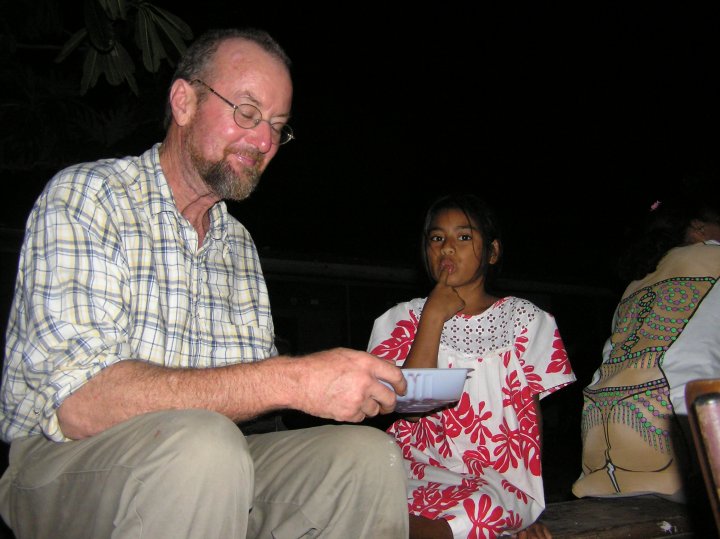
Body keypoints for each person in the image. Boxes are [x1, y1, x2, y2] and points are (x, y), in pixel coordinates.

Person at [0, 28, 410, 538]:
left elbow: (251, 409)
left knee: (366, 459)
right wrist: (295, 379)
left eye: (277, 127)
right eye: (247, 112)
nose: (264, 142)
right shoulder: (89, 197)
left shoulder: (238, 245)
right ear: (184, 102)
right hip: (61, 461)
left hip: (216, 458)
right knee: (203, 445)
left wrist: (334, 388)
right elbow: (81, 405)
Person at [367, 194, 576, 539]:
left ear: (492, 252)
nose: (447, 248)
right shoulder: (400, 320)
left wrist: (527, 509)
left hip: (498, 481)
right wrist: (433, 316)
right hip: (415, 467)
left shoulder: (526, 320)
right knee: (383, 497)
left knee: (482, 508)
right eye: (437, 238)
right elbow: (413, 406)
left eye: (464, 237)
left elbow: (531, 421)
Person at [572, 193, 720, 505]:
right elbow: (688, 360)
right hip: (670, 440)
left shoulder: (637, 284)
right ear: (699, 229)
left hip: (601, 447)